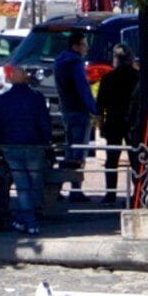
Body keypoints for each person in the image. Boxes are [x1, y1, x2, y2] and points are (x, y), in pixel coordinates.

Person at [0, 60, 54, 233]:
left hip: (11, 147)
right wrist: (46, 141)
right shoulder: (36, 98)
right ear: (27, 79)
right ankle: (30, 220)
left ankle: (27, 220)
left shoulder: (3, 100)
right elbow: (44, 122)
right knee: (34, 184)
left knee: (22, 186)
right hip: (34, 147)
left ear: (12, 79)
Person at [92, 47, 147, 194]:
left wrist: (101, 124)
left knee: (112, 159)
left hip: (113, 121)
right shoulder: (137, 77)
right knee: (136, 157)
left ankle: (110, 193)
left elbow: (100, 104)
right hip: (132, 122)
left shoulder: (109, 77)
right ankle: (138, 192)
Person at [50, 44, 96, 203]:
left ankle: (57, 187)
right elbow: (84, 89)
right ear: (76, 46)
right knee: (77, 153)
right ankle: (74, 190)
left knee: (70, 150)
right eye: (84, 44)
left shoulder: (59, 62)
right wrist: (95, 110)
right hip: (79, 111)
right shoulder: (75, 64)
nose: (86, 48)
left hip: (67, 110)